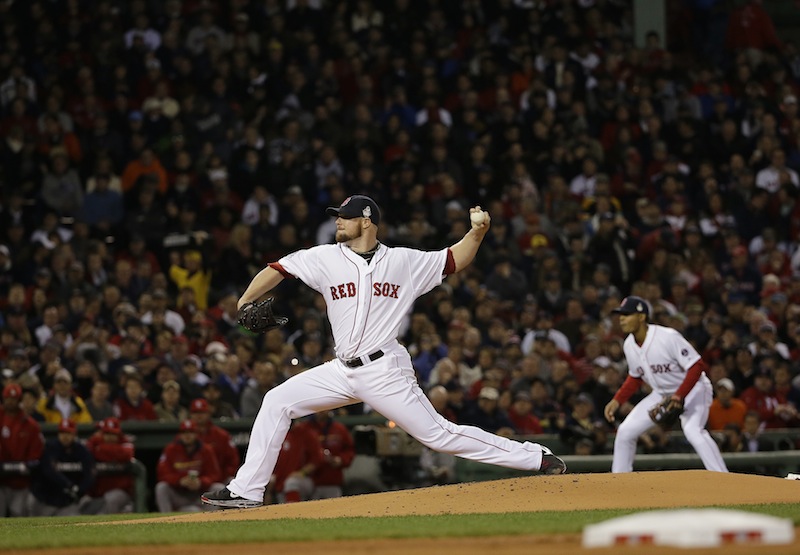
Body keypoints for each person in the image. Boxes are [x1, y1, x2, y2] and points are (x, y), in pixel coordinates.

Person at [203, 196, 565, 509]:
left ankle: (535, 457)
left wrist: (477, 233)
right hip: (341, 370)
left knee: (438, 435)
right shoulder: (325, 257)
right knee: (276, 401)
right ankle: (247, 491)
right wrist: (245, 300)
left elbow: (453, 260)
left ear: (366, 221)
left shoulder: (403, 261)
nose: (337, 222)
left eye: (344, 217)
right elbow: (278, 268)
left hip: (384, 370)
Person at [603, 296, 728, 473]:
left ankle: (722, 476)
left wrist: (679, 395)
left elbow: (696, 366)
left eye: (627, 314)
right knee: (625, 432)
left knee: (693, 430)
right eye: (620, 315)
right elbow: (635, 376)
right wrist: (617, 400)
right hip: (661, 394)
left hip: (693, 389)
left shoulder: (667, 337)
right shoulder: (629, 344)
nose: (621, 319)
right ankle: (619, 481)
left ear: (641, 317)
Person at [27, 419, 95, 517]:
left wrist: (80, 489)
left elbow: (90, 473)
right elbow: (49, 471)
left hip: (66, 503)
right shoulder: (50, 448)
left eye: (68, 433)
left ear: (74, 434)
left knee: (71, 525)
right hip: (44, 500)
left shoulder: (81, 450)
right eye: (62, 432)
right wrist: (69, 485)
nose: (65, 436)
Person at [154, 419, 222, 513]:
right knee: (161, 487)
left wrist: (201, 482)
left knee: (218, 487)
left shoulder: (206, 450)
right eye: (184, 432)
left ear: (196, 434)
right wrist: (180, 481)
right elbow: (162, 474)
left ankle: (210, 519)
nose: (187, 436)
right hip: (179, 494)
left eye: (190, 432)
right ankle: (166, 519)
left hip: (200, 494)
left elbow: (214, 474)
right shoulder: (170, 449)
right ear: (180, 434)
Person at [0, 383, 44, 517]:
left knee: (18, 516)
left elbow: (35, 456)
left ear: (19, 400)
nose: (11, 401)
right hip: (0, 481)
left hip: (21, 482)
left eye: (14, 399)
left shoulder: (30, 424)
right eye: (8, 398)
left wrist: (26, 465)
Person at [84, 417, 135, 514]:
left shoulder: (125, 441)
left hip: (121, 492)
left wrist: (100, 450)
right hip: (97, 493)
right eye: (107, 433)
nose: (110, 437)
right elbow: (86, 450)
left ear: (118, 434)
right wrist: (114, 454)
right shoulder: (94, 441)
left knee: (111, 499)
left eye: (113, 434)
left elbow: (127, 454)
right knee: (85, 502)